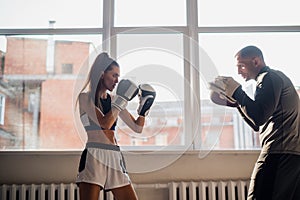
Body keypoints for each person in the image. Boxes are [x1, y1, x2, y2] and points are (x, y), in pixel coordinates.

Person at [209, 45, 300, 200]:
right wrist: (238, 104)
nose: (238, 72)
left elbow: (259, 116)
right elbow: (257, 125)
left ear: (256, 61)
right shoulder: (268, 81)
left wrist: (237, 91)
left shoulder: (269, 78)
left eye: (241, 66)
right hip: (291, 154)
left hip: (280, 152)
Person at [75, 52, 156, 200]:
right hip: (94, 155)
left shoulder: (114, 100)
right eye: (114, 75)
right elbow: (105, 123)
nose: (117, 80)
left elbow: (137, 128)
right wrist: (122, 99)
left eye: (118, 76)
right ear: (102, 74)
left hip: (114, 155)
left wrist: (144, 110)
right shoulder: (85, 98)